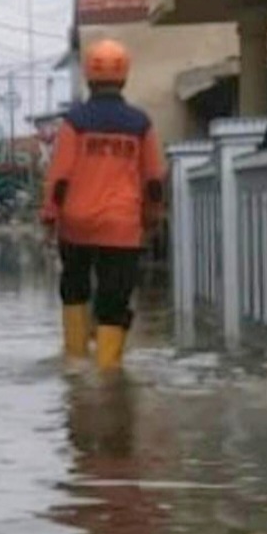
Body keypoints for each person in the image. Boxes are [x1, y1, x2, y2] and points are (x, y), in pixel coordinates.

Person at [42, 40, 166, 369]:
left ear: (88, 76)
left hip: (76, 224)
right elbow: (153, 179)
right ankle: (108, 375)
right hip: (122, 226)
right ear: (124, 77)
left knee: (74, 287)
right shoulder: (140, 124)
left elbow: (59, 177)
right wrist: (152, 219)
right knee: (114, 299)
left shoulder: (74, 122)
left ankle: (75, 362)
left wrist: (49, 218)